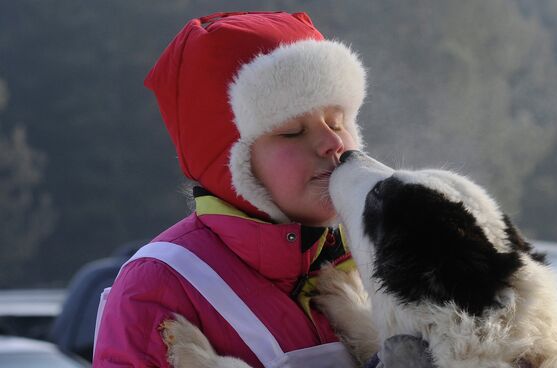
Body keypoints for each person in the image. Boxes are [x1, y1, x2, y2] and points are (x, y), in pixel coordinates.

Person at [92, 11, 367, 368]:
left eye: (337, 121)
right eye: (292, 132)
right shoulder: (160, 285)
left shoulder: (371, 259)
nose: (332, 142)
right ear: (231, 162)